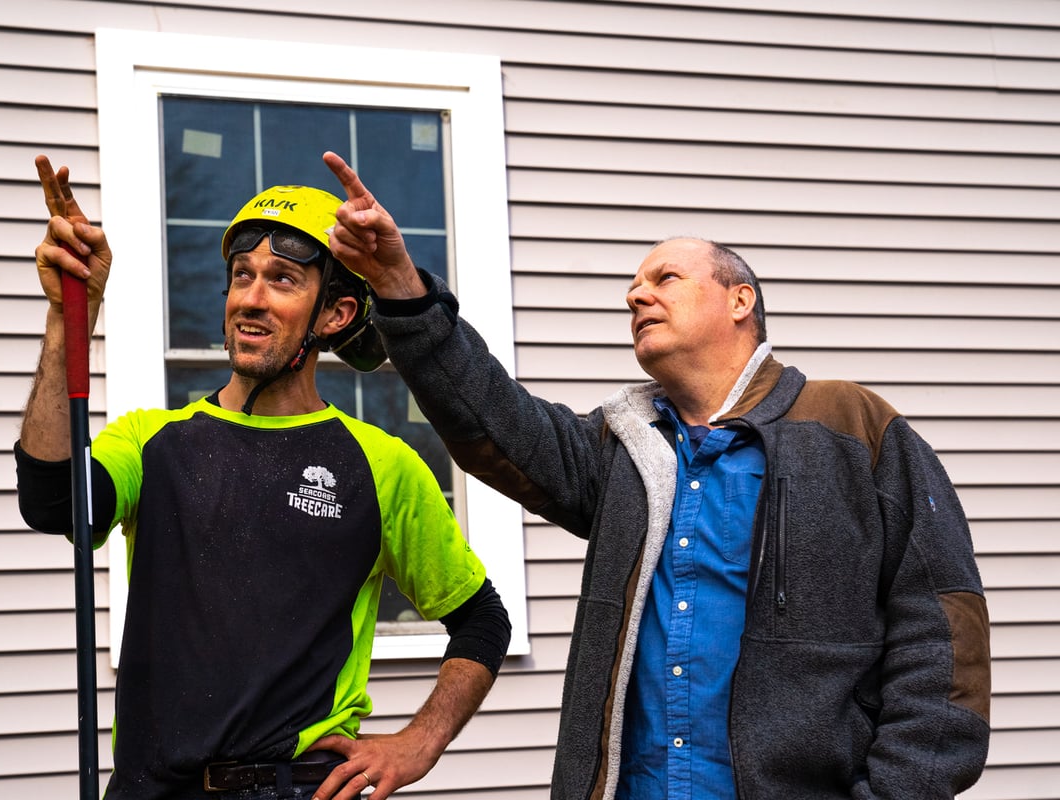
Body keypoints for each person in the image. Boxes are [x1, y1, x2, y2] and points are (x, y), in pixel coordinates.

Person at [321, 150, 992, 800]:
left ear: (739, 300)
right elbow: (491, 421)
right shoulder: (621, 449)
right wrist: (400, 289)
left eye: (664, 278)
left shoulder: (854, 428)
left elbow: (944, 638)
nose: (635, 293)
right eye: (633, 287)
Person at [15, 156, 511, 800]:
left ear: (332, 316)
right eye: (241, 276)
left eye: (282, 279)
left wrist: (418, 743)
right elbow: (54, 503)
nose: (251, 298)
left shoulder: (380, 464)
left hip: (296, 786)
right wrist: (67, 316)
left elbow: (482, 619)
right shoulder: (151, 441)